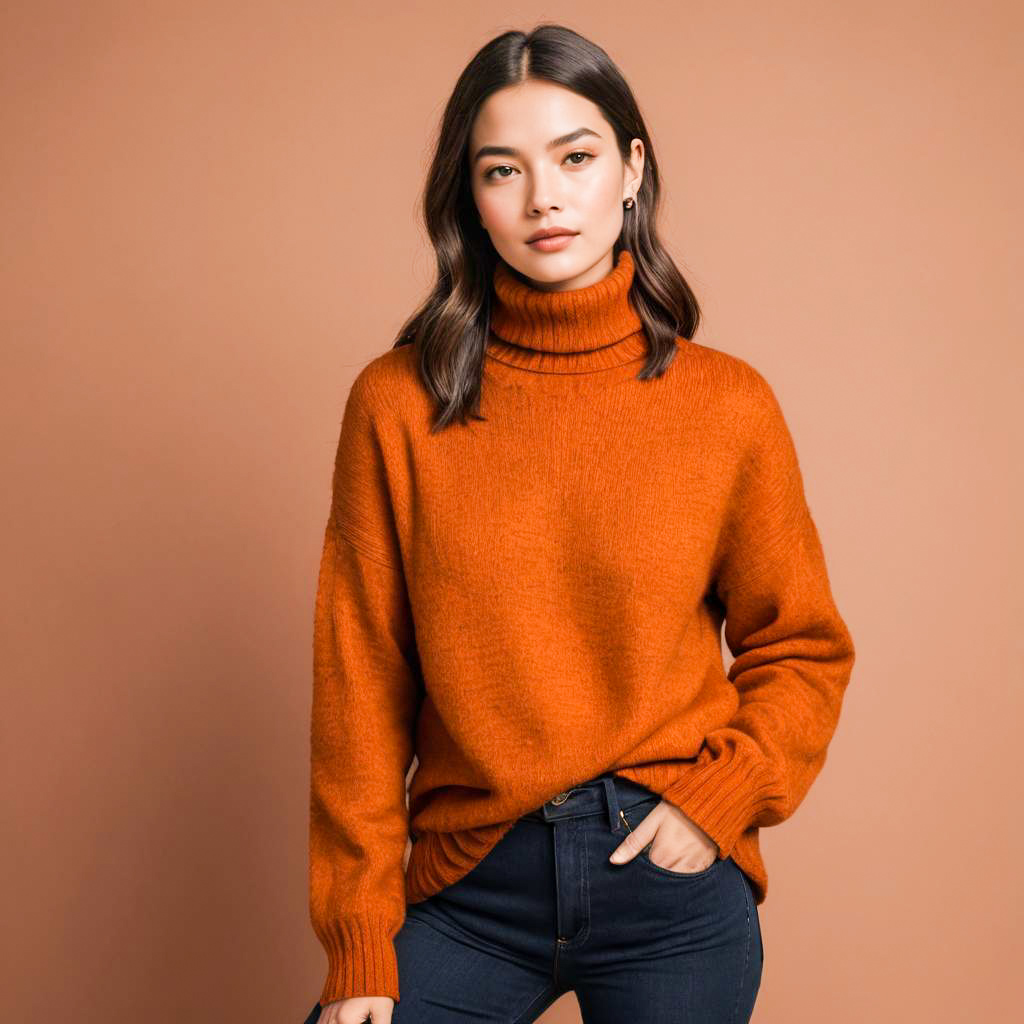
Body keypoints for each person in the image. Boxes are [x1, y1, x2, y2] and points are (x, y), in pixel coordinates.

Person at [305, 23, 855, 1024]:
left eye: (575, 156)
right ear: (467, 199)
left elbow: (802, 646)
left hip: (666, 875)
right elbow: (360, 689)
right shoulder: (395, 405)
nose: (542, 198)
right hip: (470, 883)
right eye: (500, 170)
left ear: (631, 168)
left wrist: (719, 800)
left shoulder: (725, 404)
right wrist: (358, 943)